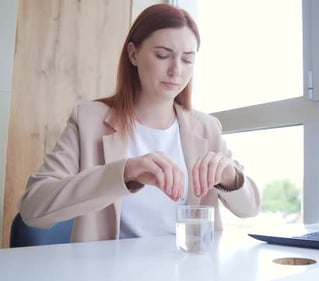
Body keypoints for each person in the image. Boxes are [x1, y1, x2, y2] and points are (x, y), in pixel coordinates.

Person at [18, 4, 260, 242]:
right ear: (133, 54)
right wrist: (124, 174)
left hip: (190, 270)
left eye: (187, 60)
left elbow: (250, 209)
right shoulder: (89, 120)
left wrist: (231, 177)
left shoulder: (207, 128)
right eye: (162, 55)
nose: (176, 70)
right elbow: (33, 208)